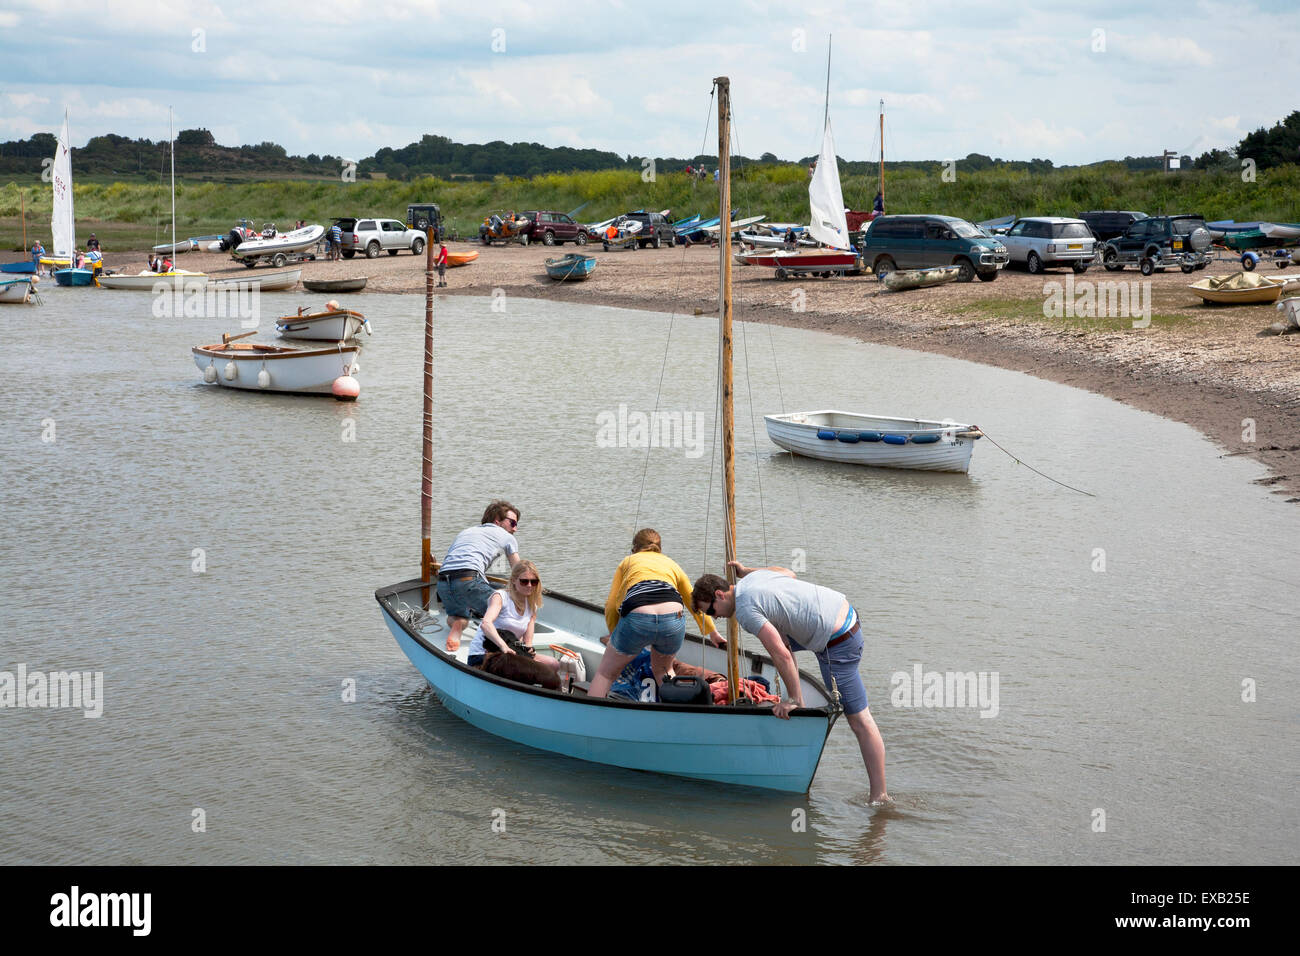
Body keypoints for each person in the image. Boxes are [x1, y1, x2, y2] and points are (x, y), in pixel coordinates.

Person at [692, 561, 891, 805]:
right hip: (843, 612)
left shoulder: (744, 610)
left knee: (860, 720)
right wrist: (746, 571)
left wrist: (794, 699)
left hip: (838, 641)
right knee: (781, 638)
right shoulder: (750, 581)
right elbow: (789, 573)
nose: (717, 617)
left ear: (719, 594)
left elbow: (781, 655)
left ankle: (880, 796)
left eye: (711, 611)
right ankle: (800, 703)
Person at [588, 529, 724, 699]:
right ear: (660, 548)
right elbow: (694, 602)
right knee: (664, 671)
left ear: (634, 548)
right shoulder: (672, 564)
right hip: (673, 619)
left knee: (606, 673)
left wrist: (615, 634)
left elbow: (611, 605)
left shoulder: (628, 562)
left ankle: (591, 718)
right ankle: (677, 715)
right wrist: (713, 633)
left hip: (639, 616)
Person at [436, 500, 523, 652]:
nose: (515, 529)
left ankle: (457, 625)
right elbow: (519, 571)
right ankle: (515, 649)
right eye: (513, 523)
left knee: (459, 616)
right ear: (498, 521)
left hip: (443, 582)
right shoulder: (507, 536)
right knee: (506, 612)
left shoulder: (466, 532)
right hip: (468, 580)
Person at [465, 560, 558, 674]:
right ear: (514, 580)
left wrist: (529, 650)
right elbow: (486, 623)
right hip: (483, 655)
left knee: (553, 664)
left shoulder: (532, 605)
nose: (529, 585)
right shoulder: (500, 597)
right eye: (524, 581)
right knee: (522, 670)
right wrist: (504, 647)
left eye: (533, 582)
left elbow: (527, 642)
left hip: (511, 655)